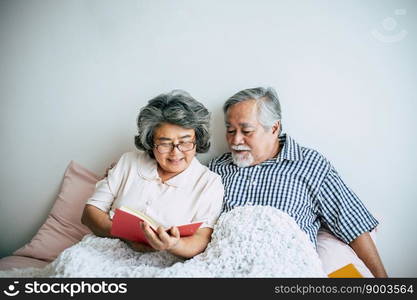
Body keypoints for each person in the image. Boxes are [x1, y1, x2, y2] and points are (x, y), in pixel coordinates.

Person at [208, 87, 388, 277]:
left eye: (246, 131)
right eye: (230, 130)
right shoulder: (218, 168)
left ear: (274, 128)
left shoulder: (310, 165)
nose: (235, 139)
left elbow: (354, 224)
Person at [81, 90, 224, 259]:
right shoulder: (129, 162)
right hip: (103, 251)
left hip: (164, 261)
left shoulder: (209, 182)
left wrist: (172, 244)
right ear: (150, 142)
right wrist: (126, 236)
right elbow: (89, 214)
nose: (175, 153)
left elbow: (201, 239)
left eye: (185, 142)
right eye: (165, 144)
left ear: (197, 140)